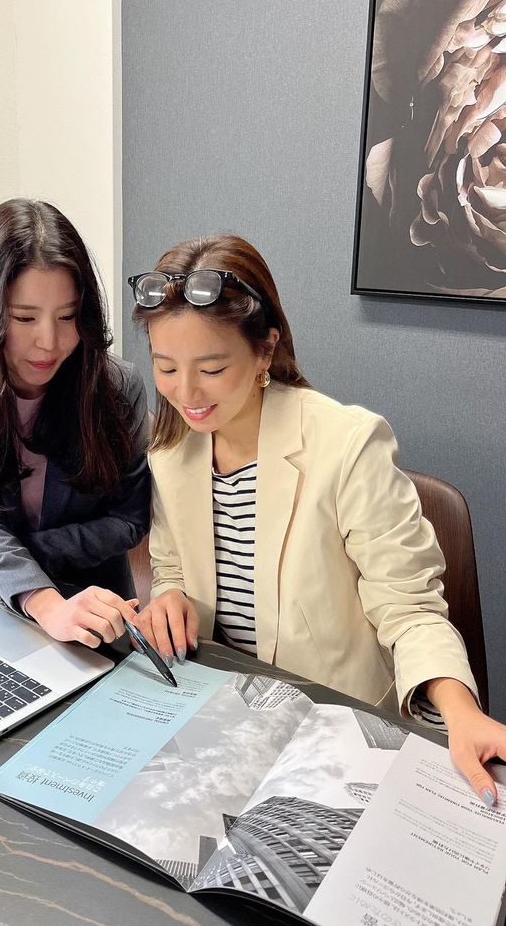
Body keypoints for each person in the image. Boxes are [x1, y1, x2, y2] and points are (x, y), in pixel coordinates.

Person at [129, 233, 506, 805]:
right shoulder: (172, 450)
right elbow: (171, 565)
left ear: (265, 351)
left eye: (212, 367)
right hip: (225, 717)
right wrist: (171, 595)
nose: (186, 393)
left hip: (336, 728)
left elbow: (409, 608)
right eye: (165, 367)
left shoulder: (348, 445)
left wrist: (461, 713)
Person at [0, 198, 149, 648]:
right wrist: (41, 600)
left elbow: (129, 519)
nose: (50, 342)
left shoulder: (117, 387)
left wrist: (11, 559)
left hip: (96, 608)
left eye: (68, 316)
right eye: (24, 318)